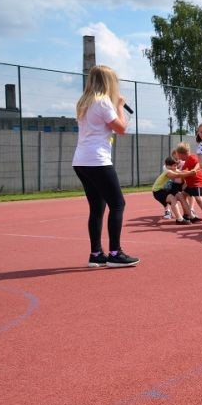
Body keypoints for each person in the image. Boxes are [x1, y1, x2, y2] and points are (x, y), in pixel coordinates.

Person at [72, 65, 139, 268]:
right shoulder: (103, 102)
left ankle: (96, 254)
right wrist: (119, 105)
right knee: (118, 204)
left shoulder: (84, 102)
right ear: (108, 82)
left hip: (81, 161)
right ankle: (115, 253)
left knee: (97, 208)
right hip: (97, 160)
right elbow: (121, 129)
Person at [174, 141, 202, 221]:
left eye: (179, 155)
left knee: (199, 199)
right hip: (190, 185)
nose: (179, 157)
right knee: (182, 195)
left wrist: (194, 169)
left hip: (197, 183)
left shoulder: (192, 157)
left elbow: (198, 164)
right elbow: (185, 173)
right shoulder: (185, 162)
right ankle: (187, 214)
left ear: (183, 154)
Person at [152, 157, 185, 222]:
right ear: (168, 166)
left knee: (174, 199)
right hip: (157, 191)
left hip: (163, 190)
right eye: (174, 165)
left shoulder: (173, 169)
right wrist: (191, 173)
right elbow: (177, 175)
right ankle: (179, 219)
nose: (175, 167)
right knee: (173, 199)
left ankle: (182, 217)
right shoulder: (168, 171)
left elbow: (182, 172)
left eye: (176, 165)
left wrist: (192, 171)